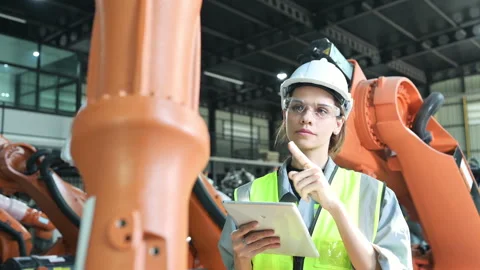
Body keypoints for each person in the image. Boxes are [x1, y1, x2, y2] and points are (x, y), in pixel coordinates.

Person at [217, 41, 413, 270]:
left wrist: (335, 207)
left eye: (321, 110)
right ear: (285, 114)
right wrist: (241, 260)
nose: (307, 117)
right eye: (298, 107)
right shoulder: (248, 194)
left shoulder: (376, 196)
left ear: (338, 123)